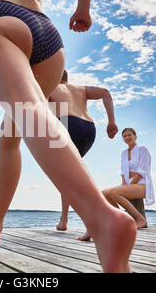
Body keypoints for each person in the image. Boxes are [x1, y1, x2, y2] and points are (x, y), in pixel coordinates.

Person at [0, 0, 136, 272]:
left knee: (29, 113)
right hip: (48, 37)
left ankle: (103, 218)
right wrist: (84, 8)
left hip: (2, 20)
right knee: (10, 136)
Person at [50, 70, 119, 239]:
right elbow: (105, 93)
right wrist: (111, 121)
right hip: (89, 128)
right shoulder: (80, 89)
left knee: (68, 176)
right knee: (68, 176)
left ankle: (94, 221)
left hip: (67, 124)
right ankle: (64, 219)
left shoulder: (51, 88)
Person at [102, 128, 155, 230]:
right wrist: (124, 185)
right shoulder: (123, 153)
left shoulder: (143, 149)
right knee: (104, 193)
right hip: (128, 183)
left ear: (135, 136)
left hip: (142, 184)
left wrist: (129, 186)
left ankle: (141, 220)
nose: (127, 137)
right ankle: (119, 219)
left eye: (129, 135)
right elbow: (123, 172)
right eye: (124, 136)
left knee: (114, 192)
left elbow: (142, 171)